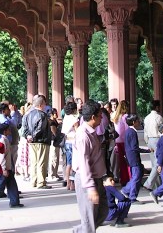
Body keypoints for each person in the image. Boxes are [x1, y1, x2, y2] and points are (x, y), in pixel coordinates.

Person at [72, 100, 110, 233]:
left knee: (103, 211)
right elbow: (84, 163)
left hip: (97, 178)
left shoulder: (92, 132)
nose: (102, 118)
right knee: (89, 220)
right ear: (93, 117)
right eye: (100, 115)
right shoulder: (83, 135)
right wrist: (90, 187)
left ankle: (79, 231)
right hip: (87, 180)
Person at [0, 122, 24, 208]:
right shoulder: (3, 141)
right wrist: (4, 169)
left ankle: (14, 202)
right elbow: (1, 156)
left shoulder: (5, 139)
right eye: (8, 129)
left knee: (12, 184)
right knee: (0, 185)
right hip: (4, 168)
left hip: (8, 167)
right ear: (5, 131)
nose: (10, 130)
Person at [22, 94, 52, 189]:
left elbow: (25, 128)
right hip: (41, 141)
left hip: (32, 141)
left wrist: (28, 136)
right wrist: (34, 136)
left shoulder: (28, 114)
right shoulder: (42, 115)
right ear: (41, 104)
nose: (45, 106)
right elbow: (40, 128)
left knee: (34, 162)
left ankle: (33, 181)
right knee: (42, 161)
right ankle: (41, 182)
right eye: (44, 104)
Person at [121, 114, 150, 204]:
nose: (139, 122)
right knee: (136, 177)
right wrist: (147, 150)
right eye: (137, 121)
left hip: (130, 157)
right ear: (134, 122)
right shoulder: (132, 132)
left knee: (136, 175)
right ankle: (132, 197)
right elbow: (134, 147)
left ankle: (126, 190)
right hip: (134, 157)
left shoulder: (127, 131)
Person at [142, 100, 163, 191]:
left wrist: (147, 142)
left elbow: (145, 132)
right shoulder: (158, 117)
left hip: (150, 140)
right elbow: (162, 130)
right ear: (156, 107)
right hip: (157, 139)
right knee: (158, 163)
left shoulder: (146, 118)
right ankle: (149, 183)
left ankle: (157, 186)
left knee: (154, 164)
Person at [111, 100, 130, 185]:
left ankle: (123, 178)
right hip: (124, 141)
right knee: (128, 161)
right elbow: (127, 130)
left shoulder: (116, 117)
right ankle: (128, 178)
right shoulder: (125, 116)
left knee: (121, 161)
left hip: (118, 141)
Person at [62, 101, 80, 190]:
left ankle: (68, 183)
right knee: (74, 163)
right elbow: (77, 130)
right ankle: (73, 184)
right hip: (73, 141)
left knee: (68, 163)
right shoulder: (74, 118)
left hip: (67, 140)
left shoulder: (66, 117)